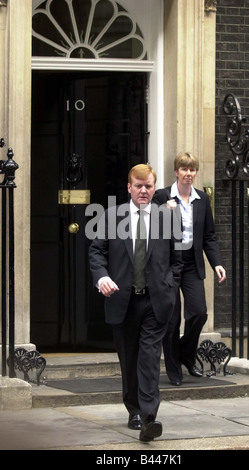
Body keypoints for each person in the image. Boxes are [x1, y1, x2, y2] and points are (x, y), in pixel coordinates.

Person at [88, 164, 182, 442]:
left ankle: (150, 417)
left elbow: (177, 261)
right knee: (129, 360)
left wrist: (169, 286)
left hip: (155, 302)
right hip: (123, 301)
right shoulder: (111, 216)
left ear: (155, 188)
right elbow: (97, 252)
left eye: (149, 186)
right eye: (138, 186)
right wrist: (102, 277)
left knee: (150, 359)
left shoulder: (167, 218)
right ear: (129, 187)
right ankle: (134, 410)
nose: (144, 191)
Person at [152, 152, 226, 386]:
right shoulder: (162, 196)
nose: (189, 174)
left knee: (199, 312)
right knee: (171, 320)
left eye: (192, 170)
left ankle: (185, 351)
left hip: (192, 262)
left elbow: (209, 236)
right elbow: (148, 223)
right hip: (169, 264)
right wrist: (165, 211)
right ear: (176, 172)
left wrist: (217, 263)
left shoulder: (202, 199)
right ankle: (174, 369)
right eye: (184, 169)